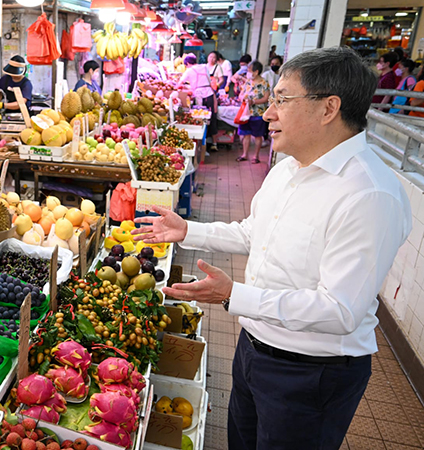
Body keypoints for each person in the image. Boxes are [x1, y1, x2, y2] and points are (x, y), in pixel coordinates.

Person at [131, 46, 411, 450]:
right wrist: (187, 231)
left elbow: (340, 310)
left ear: (328, 108)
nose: (267, 112)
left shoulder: (368, 194)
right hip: (254, 347)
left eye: (282, 99)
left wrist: (234, 295)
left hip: (312, 374)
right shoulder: (288, 170)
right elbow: (252, 233)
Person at [178, 54, 218, 152]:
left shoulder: (189, 70)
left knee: (200, 119)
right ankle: (213, 143)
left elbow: (180, 83)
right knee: (211, 118)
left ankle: (201, 145)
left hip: (200, 96)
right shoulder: (204, 67)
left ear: (187, 64)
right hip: (209, 93)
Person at [235, 61, 270, 163]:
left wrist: (254, 101)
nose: (248, 73)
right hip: (246, 113)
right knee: (246, 134)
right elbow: (241, 94)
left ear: (256, 72)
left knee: (258, 135)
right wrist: (242, 98)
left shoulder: (264, 83)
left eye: (250, 71)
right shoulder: (248, 82)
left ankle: (256, 156)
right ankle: (244, 154)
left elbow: (266, 98)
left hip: (258, 113)